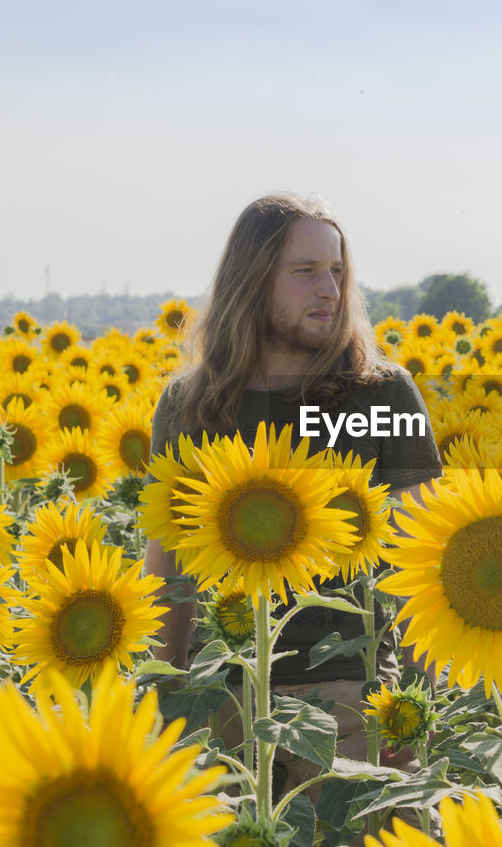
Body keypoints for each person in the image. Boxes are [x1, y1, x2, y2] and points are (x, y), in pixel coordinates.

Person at [144, 193, 443, 799]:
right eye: (305, 272)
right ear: (252, 283)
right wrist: (163, 697)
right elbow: (167, 564)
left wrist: (417, 707)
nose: (328, 289)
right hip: (223, 687)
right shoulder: (189, 405)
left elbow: (425, 557)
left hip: (350, 692)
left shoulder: (383, 397)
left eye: (336, 271)